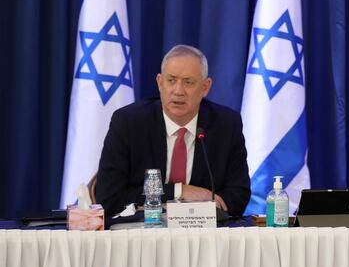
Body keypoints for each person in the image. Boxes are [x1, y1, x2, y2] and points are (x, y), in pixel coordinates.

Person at [95, 45, 251, 217]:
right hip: (142, 230)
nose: (178, 91)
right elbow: (109, 198)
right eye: (171, 80)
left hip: (204, 230)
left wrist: (192, 213)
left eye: (188, 82)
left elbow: (238, 196)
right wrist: (180, 191)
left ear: (205, 87)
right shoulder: (129, 123)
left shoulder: (226, 125)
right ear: (160, 83)